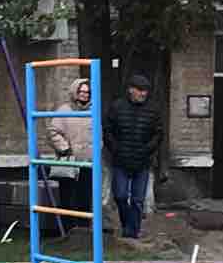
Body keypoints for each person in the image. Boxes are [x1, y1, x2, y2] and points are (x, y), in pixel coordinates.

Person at [103, 71, 162, 240]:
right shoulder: (117, 107)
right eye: (140, 90)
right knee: (120, 196)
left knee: (138, 200)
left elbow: (158, 133)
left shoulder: (153, 109)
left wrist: (148, 149)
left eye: (145, 91)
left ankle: (132, 233)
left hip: (142, 161)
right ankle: (126, 225)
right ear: (131, 90)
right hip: (121, 160)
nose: (143, 94)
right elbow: (107, 130)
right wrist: (116, 149)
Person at [46, 76, 94, 239]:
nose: (84, 95)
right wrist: (64, 148)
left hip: (87, 162)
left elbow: (98, 133)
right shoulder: (63, 110)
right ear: (74, 92)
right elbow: (53, 131)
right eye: (81, 91)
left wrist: (96, 149)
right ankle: (67, 232)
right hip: (69, 162)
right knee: (67, 198)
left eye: (87, 92)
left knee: (85, 198)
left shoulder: (93, 111)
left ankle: (84, 233)